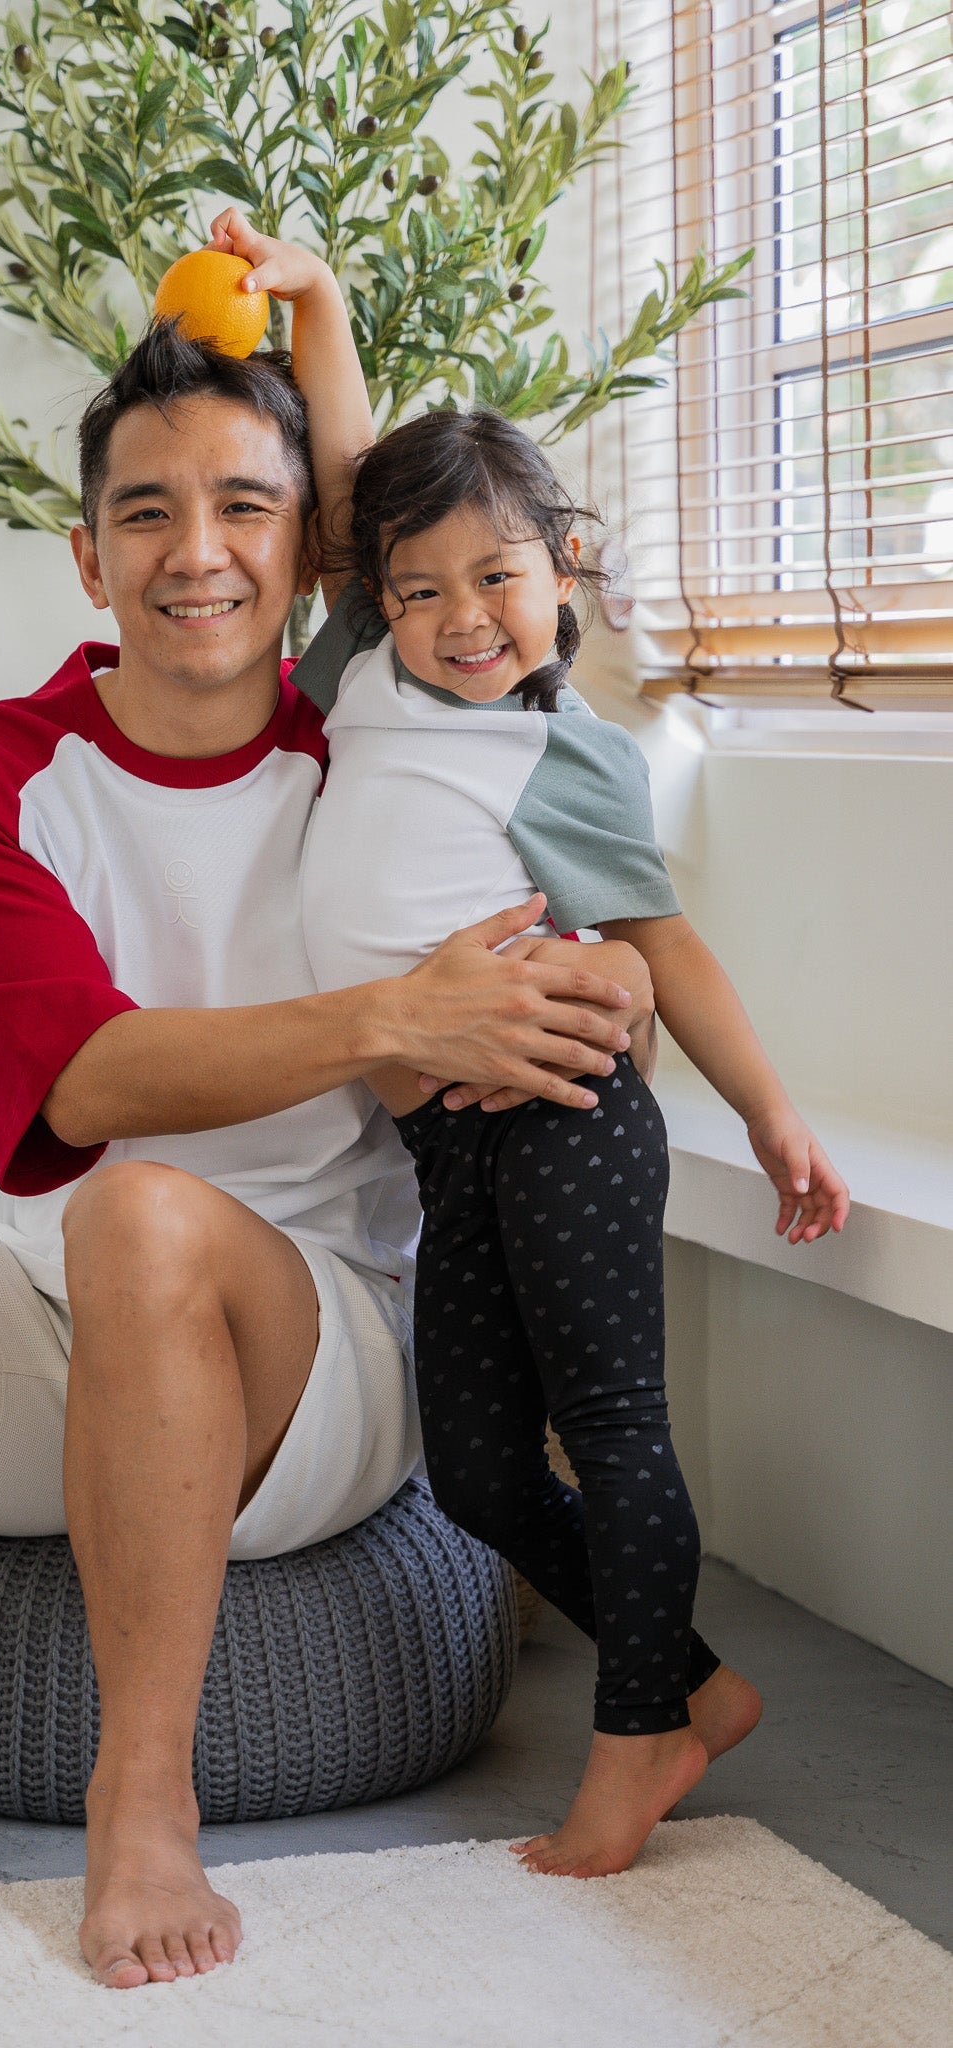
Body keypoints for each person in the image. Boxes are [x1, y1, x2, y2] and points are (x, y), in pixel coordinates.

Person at [0, 293, 651, 1982]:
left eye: (245, 507)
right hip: (80, 1302)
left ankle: (138, 1801)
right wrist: (387, 1018)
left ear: (312, 557)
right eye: (144, 513)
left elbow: (594, 964)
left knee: (145, 1217)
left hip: (329, 1359)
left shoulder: (381, 736)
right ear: (88, 560)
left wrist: (607, 992)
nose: (194, 551)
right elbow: (79, 1085)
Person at [206, 208, 849, 1880]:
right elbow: (354, 488)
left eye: (496, 578)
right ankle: (696, 1689)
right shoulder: (361, 678)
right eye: (417, 590)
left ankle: (633, 1744)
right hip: (446, 1134)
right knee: (484, 1467)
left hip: (563, 1117)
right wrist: (318, 299)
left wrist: (769, 1114)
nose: (458, 616)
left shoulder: (567, 753)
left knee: (613, 1423)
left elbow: (660, 942)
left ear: (562, 573)